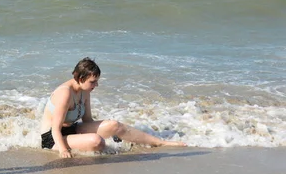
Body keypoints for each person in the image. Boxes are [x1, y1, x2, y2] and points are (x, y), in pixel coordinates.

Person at [41, 57, 186, 158]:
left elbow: (87, 122)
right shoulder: (65, 93)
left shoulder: (85, 90)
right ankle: (116, 150)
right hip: (53, 138)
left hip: (71, 129)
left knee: (114, 125)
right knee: (96, 141)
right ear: (80, 79)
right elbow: (55, 129)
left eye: (97, 81)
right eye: (93, 82)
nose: (96, 85)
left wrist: (112, 132)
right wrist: (63, 150)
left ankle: (159, 142)